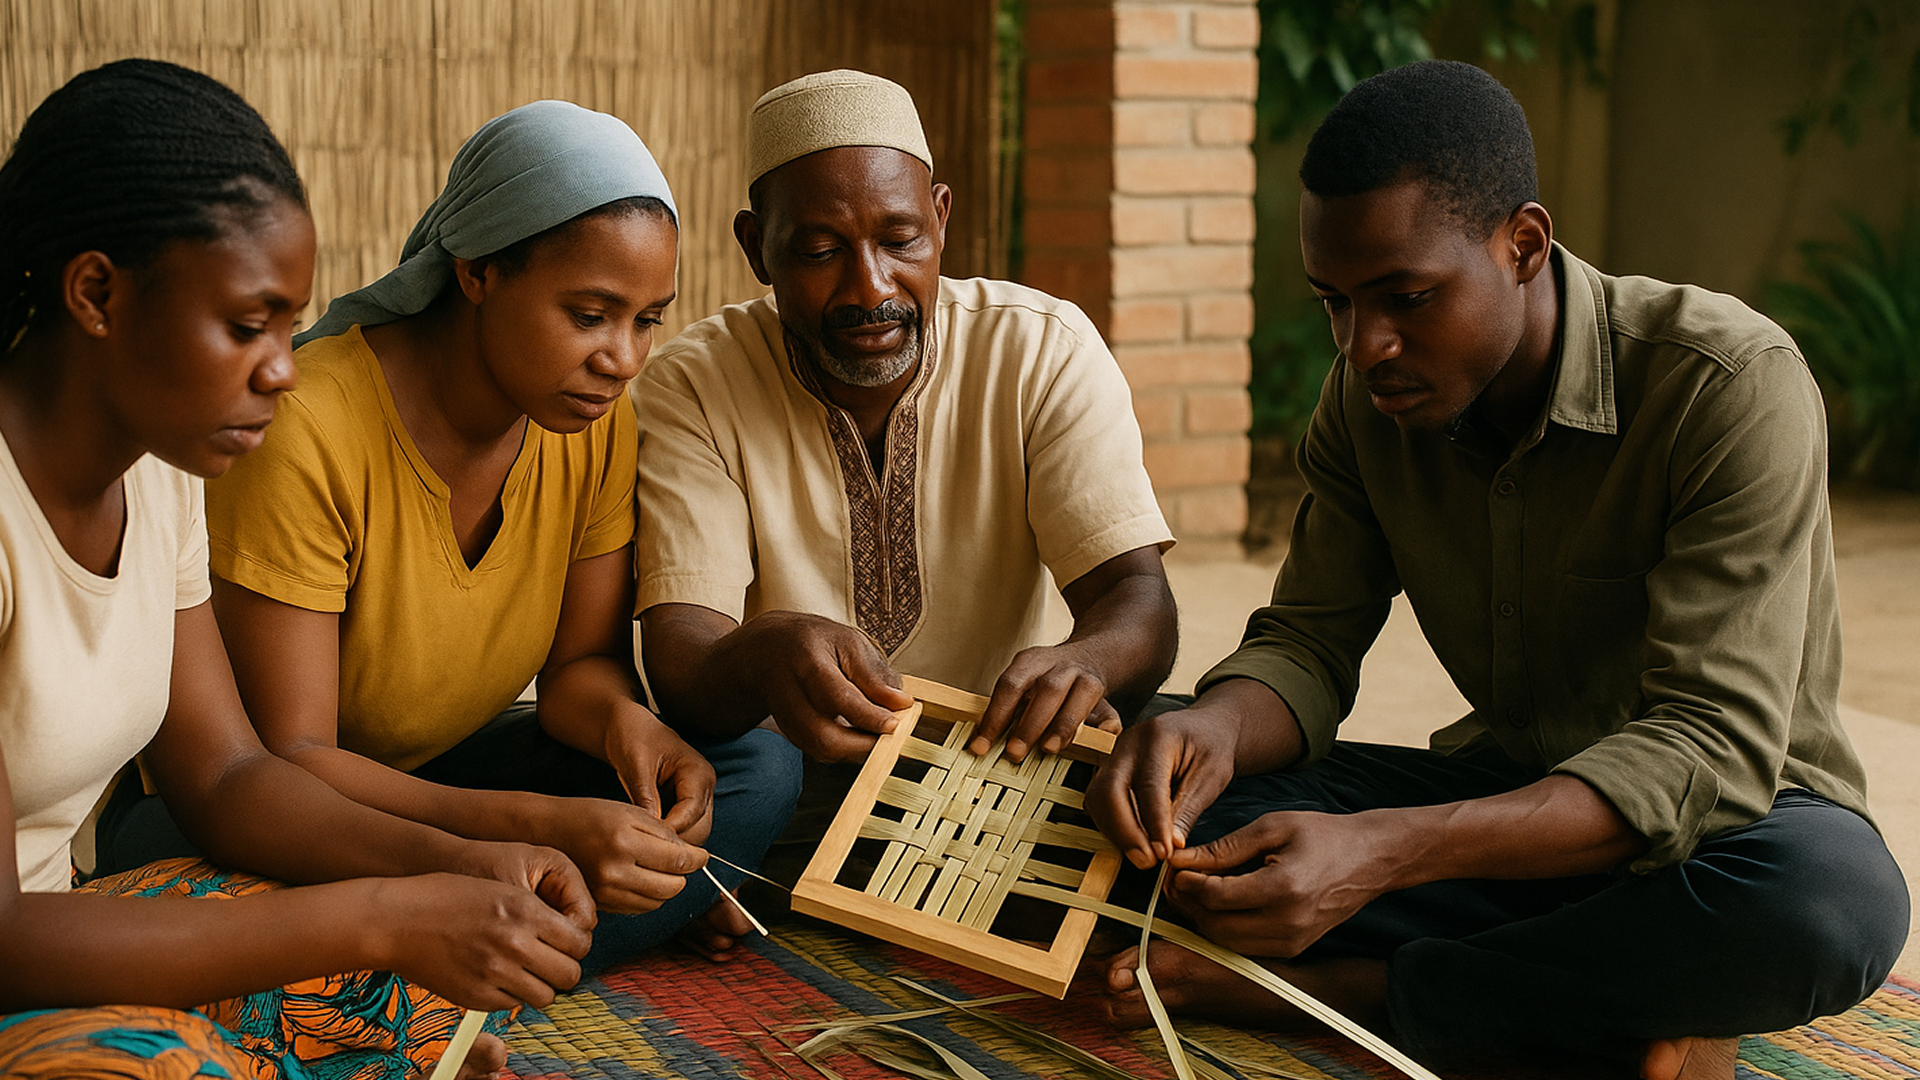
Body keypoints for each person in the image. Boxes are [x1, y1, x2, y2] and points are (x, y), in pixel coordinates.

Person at [1085, 60, 1908, 1080]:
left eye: (1408, 297)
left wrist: (1385, 851)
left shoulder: (1727, 386)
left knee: (1830, 908)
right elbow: (1305, 643)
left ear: (1523, 244)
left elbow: (1709, 747)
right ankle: (1603, 1001)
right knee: (1123, 776)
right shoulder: (1364, 404)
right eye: (1334, 303)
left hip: (1725, 836)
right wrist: (1206, 731)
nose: (1365, 344)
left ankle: (1361, 994)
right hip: (1509, 824)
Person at [96, 100, 800, 971]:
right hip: (274, 806)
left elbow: (577, 670)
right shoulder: (306, 428)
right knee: (200, 878)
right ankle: (481, 939)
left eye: (647, 319)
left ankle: (489, 936)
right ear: (475, 272)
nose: (622, 358)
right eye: (589, 314)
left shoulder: (593, 422)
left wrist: (631, 728)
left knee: (753, 771)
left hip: (446, 778)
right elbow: (289, 756)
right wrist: (538, 826)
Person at [0, 59, 593, 1079]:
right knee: (178, 1059)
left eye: (288, 323)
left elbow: (228, 778)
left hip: (64, 927)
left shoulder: (163, 475)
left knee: (385, 994)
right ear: (96, 293)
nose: (284, 367)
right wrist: (382, 916)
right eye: (247, 325)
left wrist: (460, 868)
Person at [632, 70, 1179, 930]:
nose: (871, 289)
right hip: (781, 789)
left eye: (901, 240)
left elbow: (1135, 600)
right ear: (754, 247)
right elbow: (681, 657)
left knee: (1186, 762)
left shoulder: (1042, 351)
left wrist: (1091, 663)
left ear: (943, 219)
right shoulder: (696, 384)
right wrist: (764, 650)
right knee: (701, 782)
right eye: (818, 252)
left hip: (985, 781)